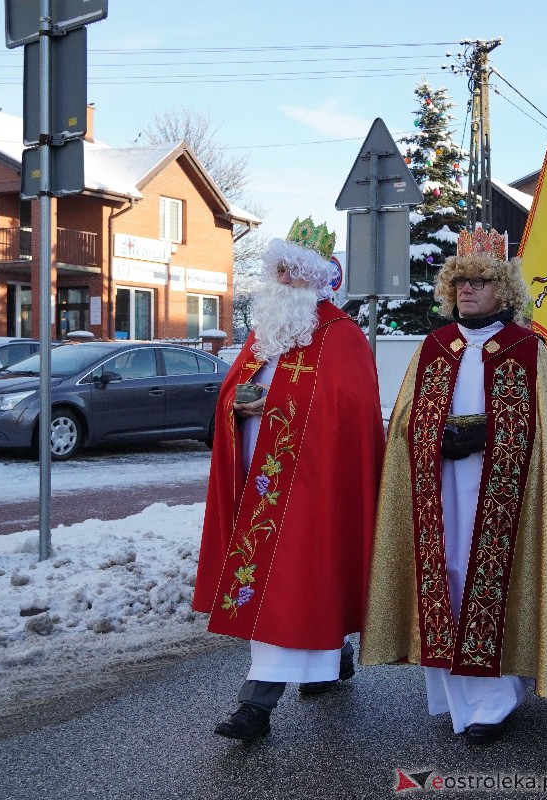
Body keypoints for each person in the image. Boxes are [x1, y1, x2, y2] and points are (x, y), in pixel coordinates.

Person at [362, 227, 547, 746]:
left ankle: (496, 698)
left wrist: (497, 434)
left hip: (505, 492)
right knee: (447, 575)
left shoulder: (527, 350)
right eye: (460, 282)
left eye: (480, 282)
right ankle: (456, 695)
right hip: (442, 486)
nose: (467, 290)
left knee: (497, 578)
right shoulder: (433, 347)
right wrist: (433, 439)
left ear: (503, 291)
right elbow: (405, 424)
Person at [192, 218, 385, 742]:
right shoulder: (263, 335)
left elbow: (348, 411)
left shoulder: (341, 338)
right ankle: (333, 654)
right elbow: (233, 393)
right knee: (293, 583)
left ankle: (255, 705)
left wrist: (276, 407)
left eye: (292, 272)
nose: (282, 281)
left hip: (312, 485)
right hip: (258, 479)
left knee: (296, 582)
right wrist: (238, 406)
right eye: (276, 271)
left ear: (316, 279)